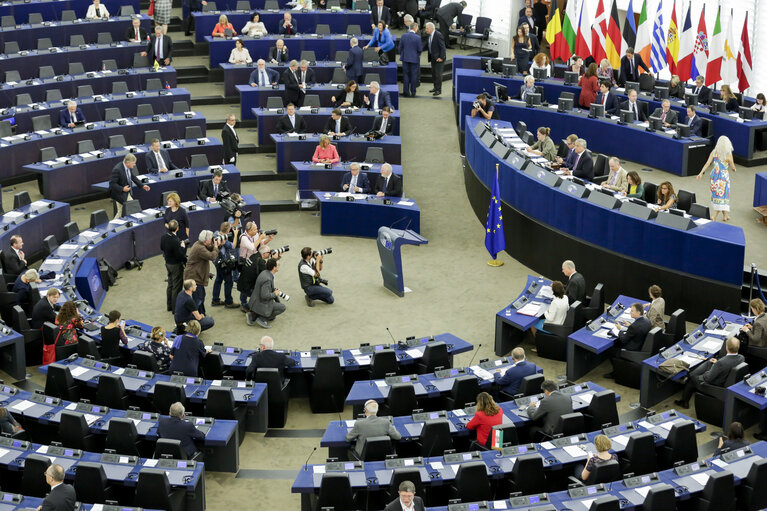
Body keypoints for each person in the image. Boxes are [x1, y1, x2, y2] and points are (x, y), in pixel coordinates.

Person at [675, 337, 744, 408]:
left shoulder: (721, 363)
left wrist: (705, 373)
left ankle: (684, 402)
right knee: (709, 363)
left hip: (717, 384)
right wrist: (716, 364)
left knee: (692, 378)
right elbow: (728, 364)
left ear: (727, 348)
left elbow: (708, 378)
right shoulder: (741, 358)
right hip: (726, 378)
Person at [605, 303, 652, 378]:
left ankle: (615, 373)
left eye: (632, 311)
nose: (630, 312)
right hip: (640, 343)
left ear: (638, 312)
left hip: (632, 348)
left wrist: (620, 329)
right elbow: (637, 329)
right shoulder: (647, 321)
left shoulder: (634, 326)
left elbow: (623, 340)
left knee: (610, 349)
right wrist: (629, 326)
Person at [697, 135, 735, 222]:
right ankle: (714, 216)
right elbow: (733, 167)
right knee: (722, 196)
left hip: (714, 176)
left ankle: (725, 215)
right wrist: (734, 169)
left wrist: (701, 173)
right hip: (723, 177)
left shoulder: (714, 152)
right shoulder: (729, 154)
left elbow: (707, 163)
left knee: (717, 195)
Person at [183, 230, 220, 314]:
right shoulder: (199, 248)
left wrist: (218, 245)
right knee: (198, 298)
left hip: (195, 275)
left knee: (201, 296)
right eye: (211, 239)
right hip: (194, 277)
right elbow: (212, 256)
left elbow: (209, 249)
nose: (212, 240)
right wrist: (216, 247)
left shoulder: (199, 244)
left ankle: (202, 314)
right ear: (206, 241)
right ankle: (195, 317)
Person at [247, 258, 286, 328]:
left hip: (255, 302)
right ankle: (262, 318)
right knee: (282, 307)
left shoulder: (265, 272)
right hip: (260, 303)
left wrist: (273, 290)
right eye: (278, 265)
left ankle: (253, 315)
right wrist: (275, 294)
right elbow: (264, 295)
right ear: (274, 267)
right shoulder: (267, 279)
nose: (279, 266)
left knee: (275, 309)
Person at [109, 153, 149, 218]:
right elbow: (112, 183)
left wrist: (142, 185)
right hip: (119, 193)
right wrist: (122, 189)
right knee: (128, 208)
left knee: (125, 209)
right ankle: (113, 225)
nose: (135, 164)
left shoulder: (128, 167)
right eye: (133, 163)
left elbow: (132, 177)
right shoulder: (117, 170)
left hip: (126, 192)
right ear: (128, 162)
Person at [211, 222, 239, 308]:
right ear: (228, 230)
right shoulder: (224, 240)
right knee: (229, 282)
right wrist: (235, 234)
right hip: (224, 263)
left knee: (219, 279)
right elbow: (233, 246)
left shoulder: (215, 234)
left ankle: (215, 300)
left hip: (216, 261)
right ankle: (229, 302)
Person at [399, 22, 421, 98]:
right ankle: (413, 92)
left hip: (405, 58)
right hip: (414, 59)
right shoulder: (418, 38)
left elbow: (400, 48)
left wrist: (403, 54)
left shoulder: (403, 36)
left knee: (406, 75)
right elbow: (420, 49)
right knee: (414, 76)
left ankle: (406, 92)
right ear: (415, 28)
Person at [424, 22, 445, 96]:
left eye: (427, 28)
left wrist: (441, 58)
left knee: (438, 75)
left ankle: (438, 90)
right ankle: (435, 88)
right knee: (434, 74)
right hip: (433, 58)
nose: (426, 30)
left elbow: (443, 47)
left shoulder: (438, 35)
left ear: (431, 28)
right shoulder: (429, 35)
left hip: (439, 59)